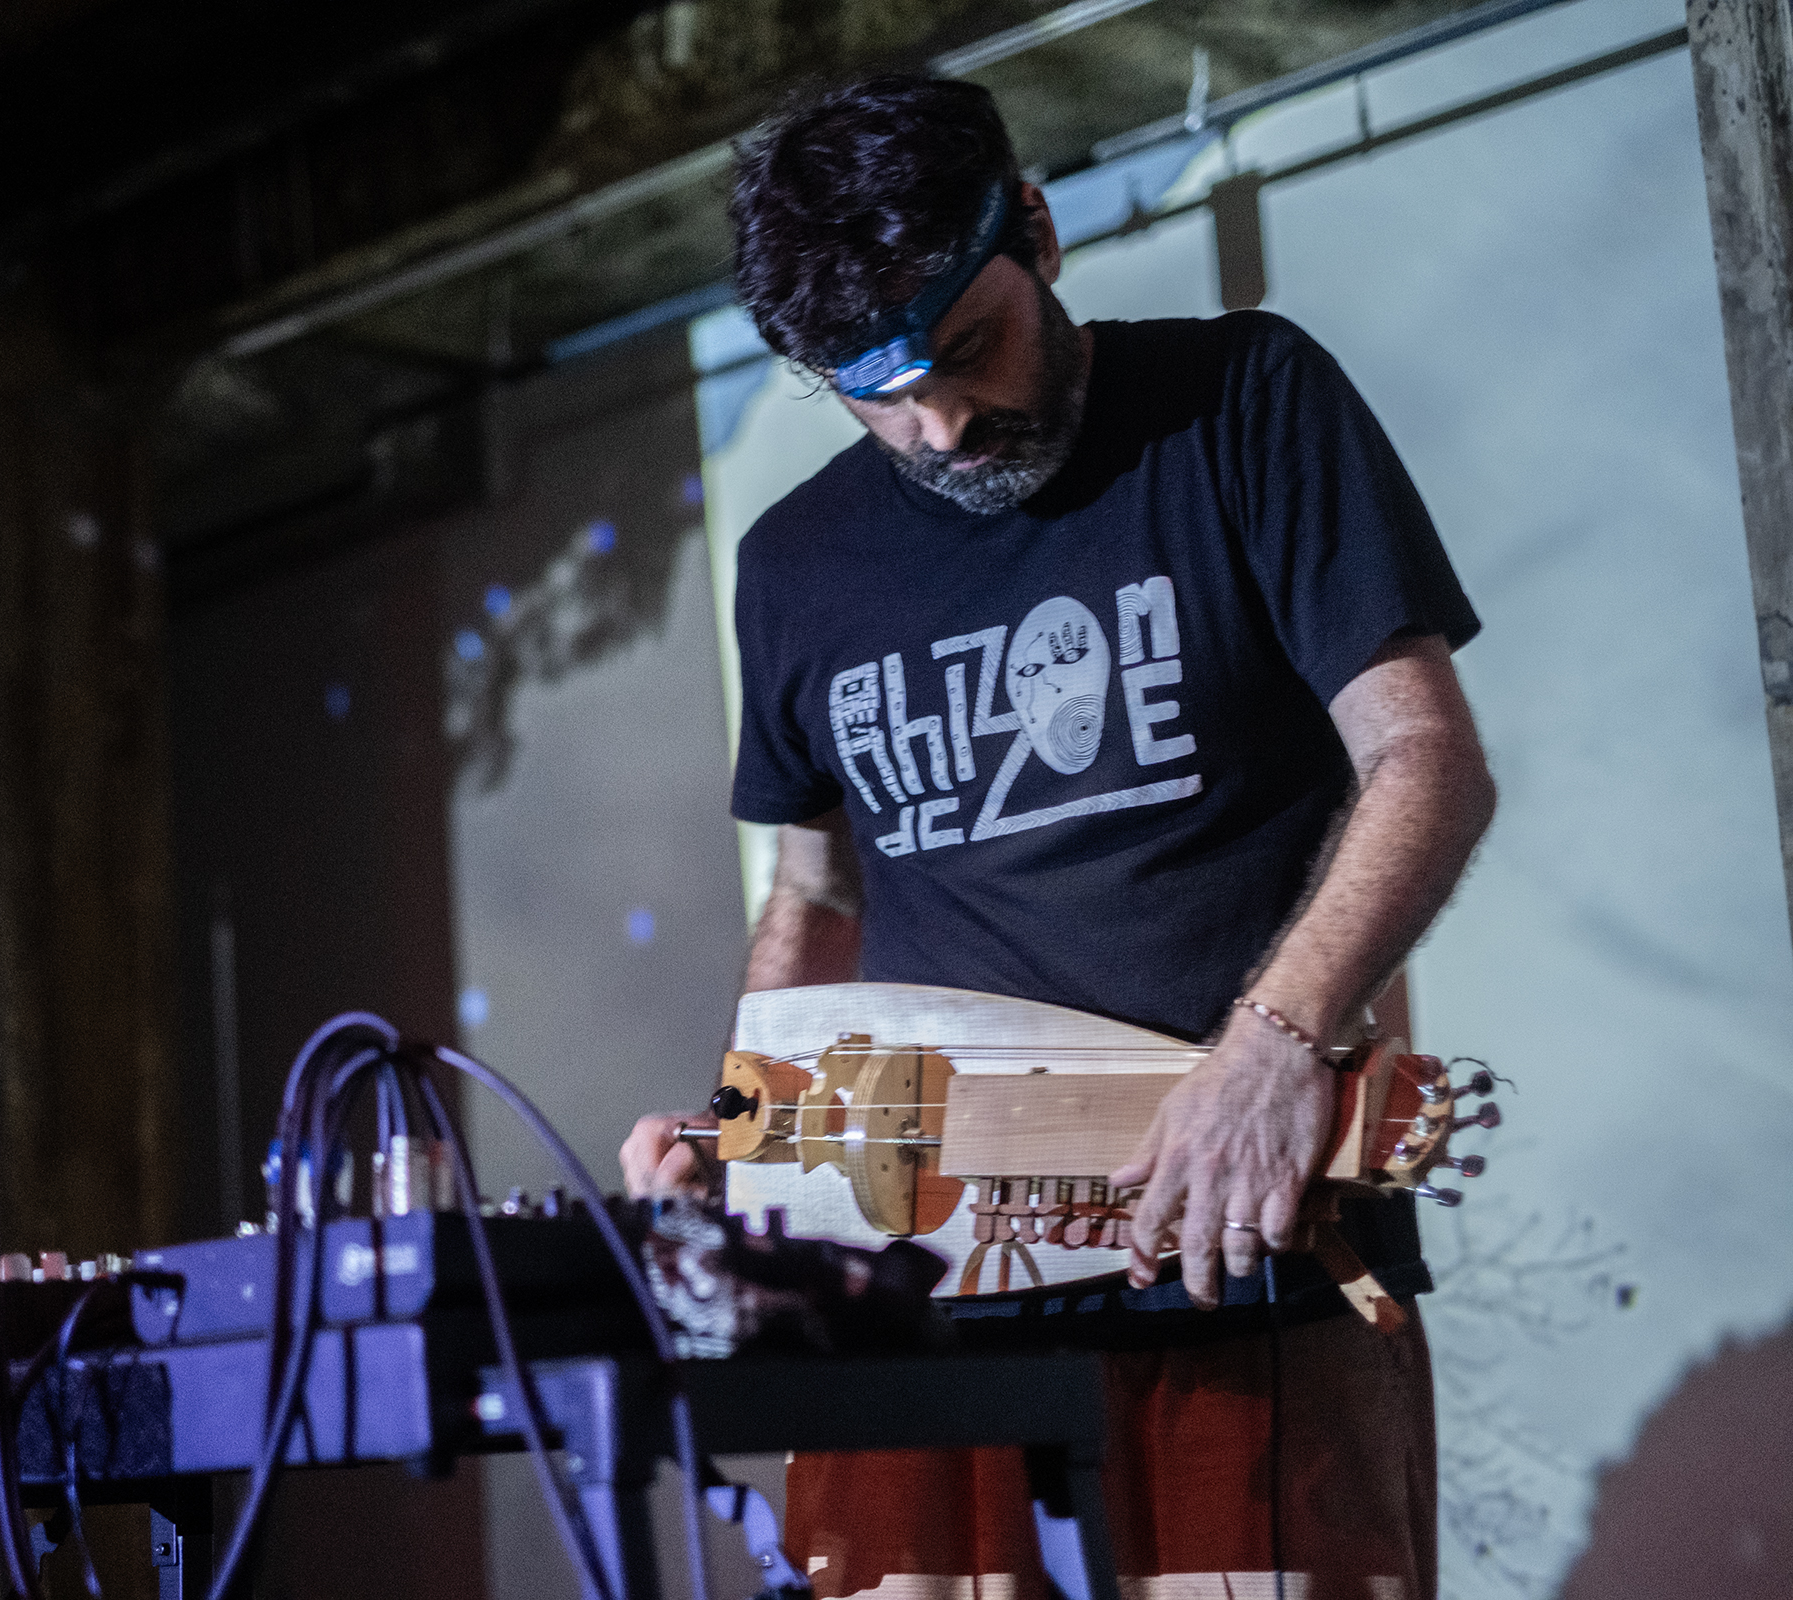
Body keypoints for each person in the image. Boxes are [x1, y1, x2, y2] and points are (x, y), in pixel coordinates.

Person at [619, 75, 1495, 1600]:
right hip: (903, 1278)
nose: (941, 426)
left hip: (1234, 1241)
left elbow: (1425, 760)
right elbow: (816, 895)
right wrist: (752, 1144)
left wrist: (1272, 1052)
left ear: (1033, 230)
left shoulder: (1247, 404)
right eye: (875, 393)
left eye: (969, 351)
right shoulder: (795, 563)